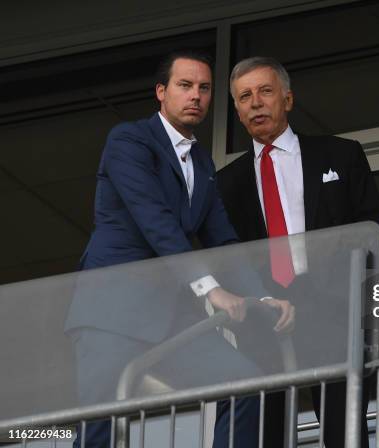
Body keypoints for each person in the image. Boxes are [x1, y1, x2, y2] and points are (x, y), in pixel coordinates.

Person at [65, 50, 293, 448]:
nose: (196, 96)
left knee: (247, 386)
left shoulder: (202, 161)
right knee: (97, 428)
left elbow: (223, 240)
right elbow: (156, 222)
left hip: (169, 316)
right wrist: (211, 289)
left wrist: (263, 294)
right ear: (161, 92)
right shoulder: (129, 140)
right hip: (111, 314)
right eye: (185, 86)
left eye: (204, 88)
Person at [217, 56, 379, 448]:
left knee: (345, 434)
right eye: (244, 97)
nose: (256, 103)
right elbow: (223, 256)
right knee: (266, 433)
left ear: (287, 100)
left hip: (332, 313)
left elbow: (371, 233)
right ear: (238, 112)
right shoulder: (225, 185)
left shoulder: (341, 155)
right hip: (264, 320)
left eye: (265, 91)